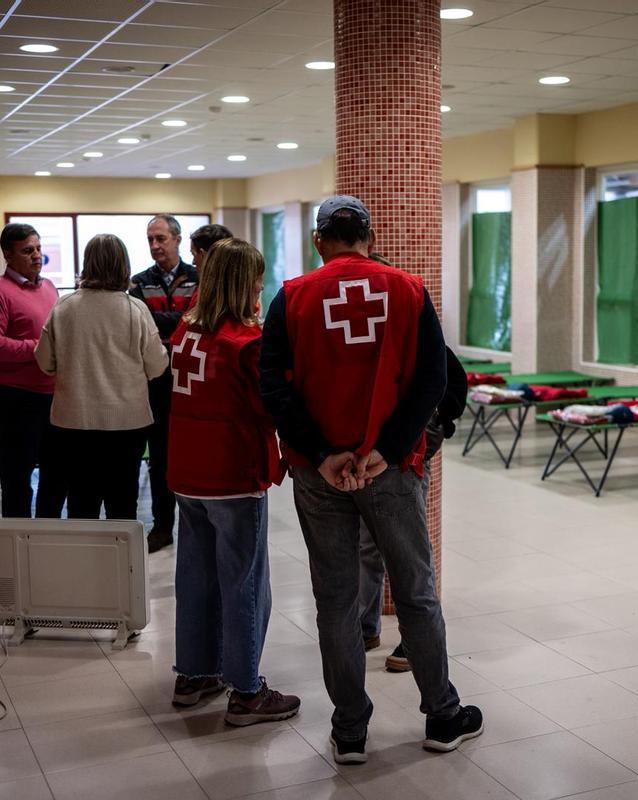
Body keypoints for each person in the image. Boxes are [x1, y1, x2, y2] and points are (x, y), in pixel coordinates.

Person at [260, 196, 483, 764]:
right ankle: (441, 715)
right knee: (415, 592)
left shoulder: (291, 297)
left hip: (319, 473)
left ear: (318, 242)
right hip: (391, 469)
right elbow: (435, 378)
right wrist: (384, 449)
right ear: (369, 234)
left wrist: (324, 452)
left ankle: (351, 729)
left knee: (336, 602)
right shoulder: (408, 290)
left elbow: (275, 388)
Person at [165, 238, 300, 726]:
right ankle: (246, 691)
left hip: (187, 474)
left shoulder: (186, 331)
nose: (262, 286)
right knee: (244, 582)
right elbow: (270, 408)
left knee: (196, 578)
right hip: (233, 476)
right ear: (245, 283)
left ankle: (196, 674)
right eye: (258, 278)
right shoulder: (247, 343)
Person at [35, 234, 168, 520]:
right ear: (123, 265)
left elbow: (44, 361)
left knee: (82, 504)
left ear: (87, 264)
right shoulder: (135, 309)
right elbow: (157, 367)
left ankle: (85, 564)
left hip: (74, 423)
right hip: (127, 425)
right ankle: (121, 565)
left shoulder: (64, 307)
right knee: (122, 505)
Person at [359, 337, 469, 673]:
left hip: (407, 457)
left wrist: (440, 423)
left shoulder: (411, 322)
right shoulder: (360, 334)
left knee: (409, 553)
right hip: (364, 453)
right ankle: (365, 627)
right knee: (366, 545)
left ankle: (414, 640)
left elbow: (453, 377)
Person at [0, 222, 64, 518]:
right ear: (8, 255)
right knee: (17, 477)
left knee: (55, 475)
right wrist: (38, 348)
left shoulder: (49, 287)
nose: (36, 255)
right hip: (17, 398)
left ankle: (47, 533)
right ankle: (17, 539)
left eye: (38, 248)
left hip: (52, 396)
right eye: (27, 250)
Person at [130, 215, 199, 553]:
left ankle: (195, 523)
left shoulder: (199, 277)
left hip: (193, 379)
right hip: (155, 380)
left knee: (192, 455)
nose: (155, 246)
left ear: (177, 239)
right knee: (159, 457)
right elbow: (140, 323)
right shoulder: (139, 282)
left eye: (161, 239)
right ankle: (162, 526)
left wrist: (163, 321)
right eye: (150, 240)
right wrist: (180, 319)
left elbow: (196, 318)